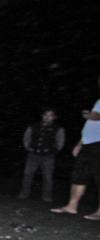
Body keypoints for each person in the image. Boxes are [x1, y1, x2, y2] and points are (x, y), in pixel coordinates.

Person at [51, 86, 100, 220]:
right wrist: (80, 142)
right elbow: (91, 127)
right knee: (78, 175)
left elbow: (96, 117)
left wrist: (88, 115)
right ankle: (71, 206)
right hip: (88, 144)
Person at [17, 108, 64, 202]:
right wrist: (29, 148)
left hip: (48, 156)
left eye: (50, 115)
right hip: (33, 154)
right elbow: (26, 137)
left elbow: (60, 141)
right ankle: (24, 194)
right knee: (28, 174)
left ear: (54, 117)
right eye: (46, 114)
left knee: (47, 176)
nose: (47, 117)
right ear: (42, 116)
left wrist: (52, 151)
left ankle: (47, 196)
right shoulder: (34, 126)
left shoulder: (58, 128)